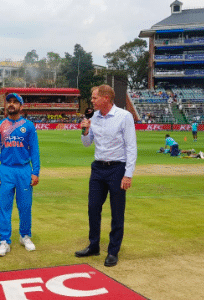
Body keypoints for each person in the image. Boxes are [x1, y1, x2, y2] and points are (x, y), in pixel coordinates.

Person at [76, 84, 137, 267]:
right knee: (93, 207)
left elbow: (131, 146)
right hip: (98, 168)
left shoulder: (124, 117)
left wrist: (128, 174)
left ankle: (113, 252)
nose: (92, 101)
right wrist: (85, 130)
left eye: (94, 98)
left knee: (117, 212)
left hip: (117, 168)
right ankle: (94, 245)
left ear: (106, 98)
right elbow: (87, 143)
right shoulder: (93, 117)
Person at [0, 93, 40, 257]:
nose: (11, 104)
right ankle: (4, 240)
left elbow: (34, 151)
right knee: (5, 207)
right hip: (5, 170)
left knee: (25, 206)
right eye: (9, 102)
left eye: (15, 102)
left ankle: (25, 235)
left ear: (21, 106)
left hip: (24, 170)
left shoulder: (29, 126)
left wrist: (35, 172)